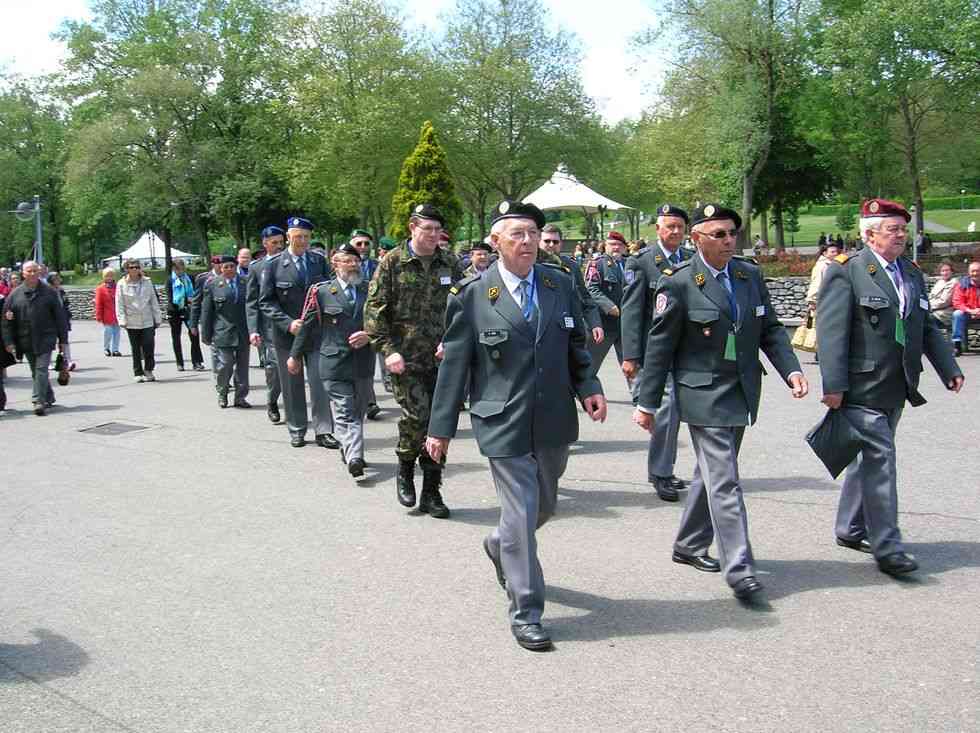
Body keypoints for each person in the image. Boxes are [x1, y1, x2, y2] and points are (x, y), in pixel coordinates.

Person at [426, 200, 607, 651]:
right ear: (496, 241)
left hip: (553, 416)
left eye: (533, 233)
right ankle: (527, 611)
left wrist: (589, 386)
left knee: (542, 507)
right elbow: (454, 367)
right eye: (517, 234)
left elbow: (576, 344)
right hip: (501, 420)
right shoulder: (472, 295)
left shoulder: (558, 284)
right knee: (523, 513)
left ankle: (498, 543)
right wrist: (439, 428)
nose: (528, 241)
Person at [633, 204, 808, 601]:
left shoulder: (748, 276)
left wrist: (791, 370)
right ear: (697, 238)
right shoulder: (679, 282)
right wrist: (647, 403)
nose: (729, 241)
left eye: (732, 234)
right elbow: (659, 348)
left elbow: (770, 328)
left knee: (710, 474)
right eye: (719, 235)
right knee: (725, 480)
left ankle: (689, 544)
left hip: (741, 390)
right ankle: (740, 569)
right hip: (702, 395)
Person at [817, 198, 963, 576]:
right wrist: (833, 384)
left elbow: (925, 325)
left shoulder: (910, 273)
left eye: (903, 230)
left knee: (866, 458)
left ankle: (850, 528)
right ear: (869, 235)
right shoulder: (847, 271)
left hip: (898, 384)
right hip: (861, 386)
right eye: (893, 230)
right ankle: (888, 546)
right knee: (881, 460)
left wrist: (948, 368)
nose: (901, 236)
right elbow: (830, 333)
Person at [364, 203, 464, 518]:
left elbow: (465, 306)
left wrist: (454, 341)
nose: (433, 235)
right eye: (427, 229)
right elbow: (374, 310)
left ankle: (432, 490)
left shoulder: (450, 262)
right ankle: (405, 467)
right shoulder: (393, 262)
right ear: (412, 227)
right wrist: (388, 350)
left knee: (440, 423)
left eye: (438, 230)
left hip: (443, 360)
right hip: (405, 359)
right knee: (417, 418)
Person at [621, 204, 692, 502]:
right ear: (658, 229)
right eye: (669, 226)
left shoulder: (691, 260)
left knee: (676, 412)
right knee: (667, 410)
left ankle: (665, 469)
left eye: (680, 227)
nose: (675, 231)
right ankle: (660, 473)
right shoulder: (642, 262)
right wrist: (630, 356)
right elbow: (631, 310)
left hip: (687, 350)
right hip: (656, 351)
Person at [290, 243, 374, 480]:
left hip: (363, 362)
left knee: (358, 412)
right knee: (345, 411)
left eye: (356, 261)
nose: (353, 265)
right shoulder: (321, 291)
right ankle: (355, 457)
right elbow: (306, 326)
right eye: (347, 261)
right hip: (333, 363)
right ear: (335, 264)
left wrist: (370, 335)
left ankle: (348, 448)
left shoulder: (370, 289)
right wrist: (295, 356)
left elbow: (384, 322)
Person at [258, 217, 336, 448]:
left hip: (315, 333)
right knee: (292, 384)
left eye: (306, 237)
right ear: (288, 237)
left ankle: (323, 430)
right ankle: (297, 428)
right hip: (287, 334)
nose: (302, 241)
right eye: (298, 236)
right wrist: (288, 323)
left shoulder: (318, 261)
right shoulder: (273, 265)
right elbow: (266, 302)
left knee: (319, 382)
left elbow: (329, 291)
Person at [2, 260, 69, 415]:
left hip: (46, 337)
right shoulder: (14, 295)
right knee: (36, 371)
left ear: (39, 272)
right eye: (29, 271)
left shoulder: (50, 292)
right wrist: (9, 342)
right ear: (23, 273)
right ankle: (49, 396)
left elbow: (60, 317)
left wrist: (63, 340)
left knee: (41, 368)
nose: (32, 274)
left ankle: (38, 401)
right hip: (25, 339)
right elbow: (6, 321)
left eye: (35, 271)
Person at [540, 224, 604, 346]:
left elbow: (585, 297)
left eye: (555, 242)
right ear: (538, 241)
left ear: (561, 243)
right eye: (547, 241)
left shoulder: (571, 266)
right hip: (541, 331)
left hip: (568, 330)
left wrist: (595, 323)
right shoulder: (530, 265)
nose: (551, 245)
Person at [200, 255, 250, 409]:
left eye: (231, 266)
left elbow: (253, 307)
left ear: (236, 267)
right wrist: (206, 334)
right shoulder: (213, 284)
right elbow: (207, 311)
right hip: (222, 332)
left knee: (243, 367)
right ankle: (222, 392)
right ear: (220, 268)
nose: (229, 269)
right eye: (225, 267)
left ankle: (240, 397)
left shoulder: (245, 282)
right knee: (225, 365)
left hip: (243, 331)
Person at [247, 225, 285, 424]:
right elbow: (251, 301)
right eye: (274, 242)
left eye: (281, 242)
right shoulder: (256, 267)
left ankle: (295, 410)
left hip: (291, 323)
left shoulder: (289, 262)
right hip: (269, 327)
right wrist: (253, 330)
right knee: (275, 368)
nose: (279, 246)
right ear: (265, 243)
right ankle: (272, 400)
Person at [585, 230, 629, 379]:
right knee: (590, 366)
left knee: (632, 367)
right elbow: (591, 288)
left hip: (626, 324)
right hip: (605, 323)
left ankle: (638, 393)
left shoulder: (630, 264)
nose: (616, 247)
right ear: (605, 246)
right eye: (612, 244)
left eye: (619, 244)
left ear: (624, 247)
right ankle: (585, 390)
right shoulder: (597, 264)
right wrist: (609, 307)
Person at [350, 229, 382, 420]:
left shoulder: (379, 266)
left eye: (366, 243)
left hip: (372, 321)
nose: (363, 247)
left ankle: (369, 402)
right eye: (358, 244)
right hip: (349, 320)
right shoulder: (342, 265)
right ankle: (361, 399)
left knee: (368, 363)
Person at [115, 258, 162, 383]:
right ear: (127, 269)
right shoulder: (121, 284)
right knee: (135, 348)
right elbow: (119, 303)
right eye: (132, 267)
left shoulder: (147, 282)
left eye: (137, 267)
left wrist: (157, 317)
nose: (135, 269)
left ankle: (148, 369)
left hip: (147, 319)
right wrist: (122, 320)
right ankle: (138, 372)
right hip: (132, 320)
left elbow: (153, 300)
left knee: (149, 345)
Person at [165, 259, 205, 372]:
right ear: (173, 269)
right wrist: (183, 300)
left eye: (182, 268)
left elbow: (197, 293)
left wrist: (193, 301)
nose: (180, 271)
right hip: (175, 310)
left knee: (194, 335)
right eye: (178, 269)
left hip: (189, 310)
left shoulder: (190, 278)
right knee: (176, 337)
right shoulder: (170, 280)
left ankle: (197, 361)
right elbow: (170, 298)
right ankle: (180, 363)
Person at [190, 256, 222, 373]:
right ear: (213, 264)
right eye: (218, 263)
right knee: (216, 349)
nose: (221, 266)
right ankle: (219, 376)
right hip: (211, 319)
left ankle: (225, 373)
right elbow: (196, 302)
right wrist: (193, 324)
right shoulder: (203, 279)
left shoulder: (230, 277)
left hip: (227, 319)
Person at [46, 272, 76, 371]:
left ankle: (68, 361)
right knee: (50, 342)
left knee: (64, 341)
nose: (58, 280)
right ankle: (48, 362)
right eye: (56, 278)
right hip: (51, 320)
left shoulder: (61, 291)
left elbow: (66, 304)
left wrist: (67, 316)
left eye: (59, 278)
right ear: (51, 280)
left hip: (63, 319)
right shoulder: (47, 291)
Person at [951, 260, 980, 356]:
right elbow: (957, 302)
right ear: (969, 272)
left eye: (977, 271)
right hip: (967, 313)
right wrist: (970, 311)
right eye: (973, 271)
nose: (975, 273)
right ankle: (957, 346)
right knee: (957, 314)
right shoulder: (961, 284)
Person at [94, 267, 122, 357]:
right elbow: (98, 303)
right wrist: (98, 315)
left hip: (117, 314)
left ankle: (115, 349)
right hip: (107, 315)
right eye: (107, 276)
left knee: (117, 332)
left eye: (111, 275)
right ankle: (106, 348)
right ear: (104, 277)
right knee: (108, 332)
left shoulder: (118, 286)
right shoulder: (100, 288)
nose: (109, 277)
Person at [806, 241, 841, 312]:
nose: (836, 254)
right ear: (825, 253)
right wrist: (812, 300)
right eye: (832, 252)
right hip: (824, 303)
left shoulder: (833, 264)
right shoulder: (822, 266)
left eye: (836, 251)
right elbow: (816, 283)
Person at [928, 260, 957, 328]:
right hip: (934, 310)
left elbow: (944, 301)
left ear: (952, 271)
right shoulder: (940, 282)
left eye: (947, 270)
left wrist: (928, 306)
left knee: (924, 320)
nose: (945, 273)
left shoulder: (953, 283)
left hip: (944, 314)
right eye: (942, 271)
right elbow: (931, 297)